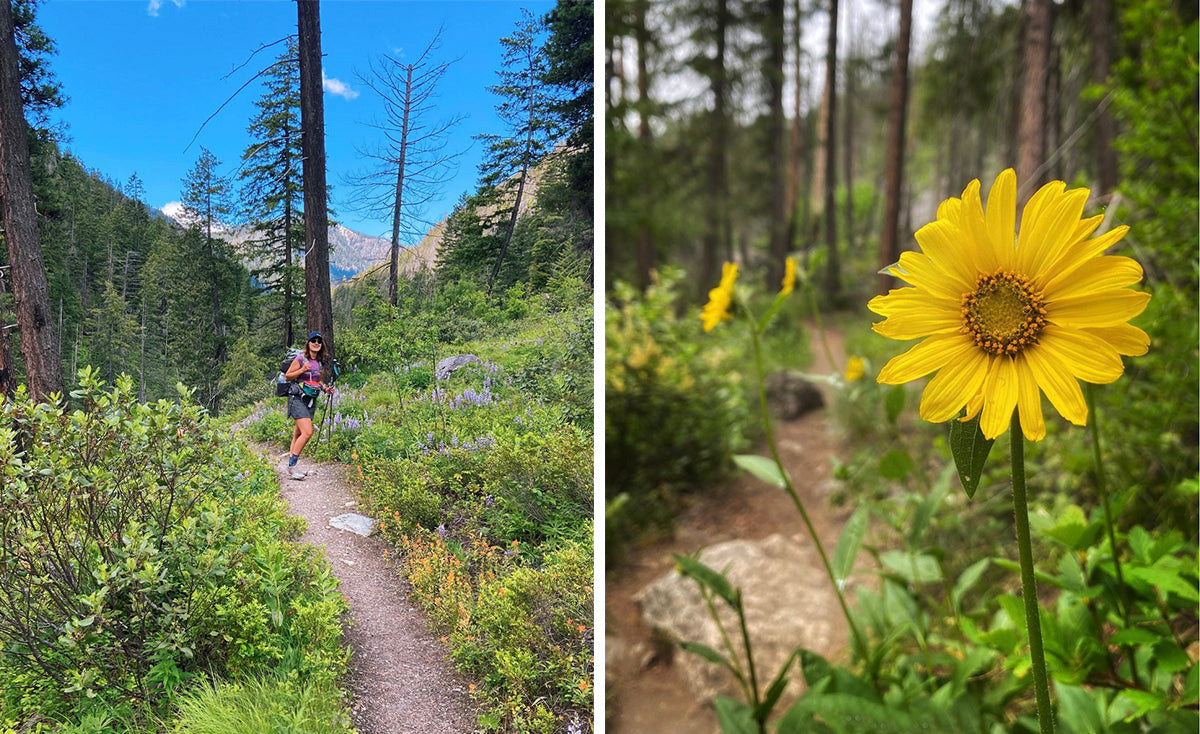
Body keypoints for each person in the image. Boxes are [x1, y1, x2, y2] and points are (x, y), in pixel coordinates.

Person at [284, 330, 334, 480]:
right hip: (297, 398)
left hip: (310, 399)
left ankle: (292, 467)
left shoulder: (318, 363)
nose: (316, 343)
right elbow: (288, 376)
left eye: (319, 341)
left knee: (298, 434)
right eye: (314, 341)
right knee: (307, 432)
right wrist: (302, 369)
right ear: (308, 343)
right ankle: (293, 466)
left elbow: (316, 380)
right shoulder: (301, 359)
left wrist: (325, 388)